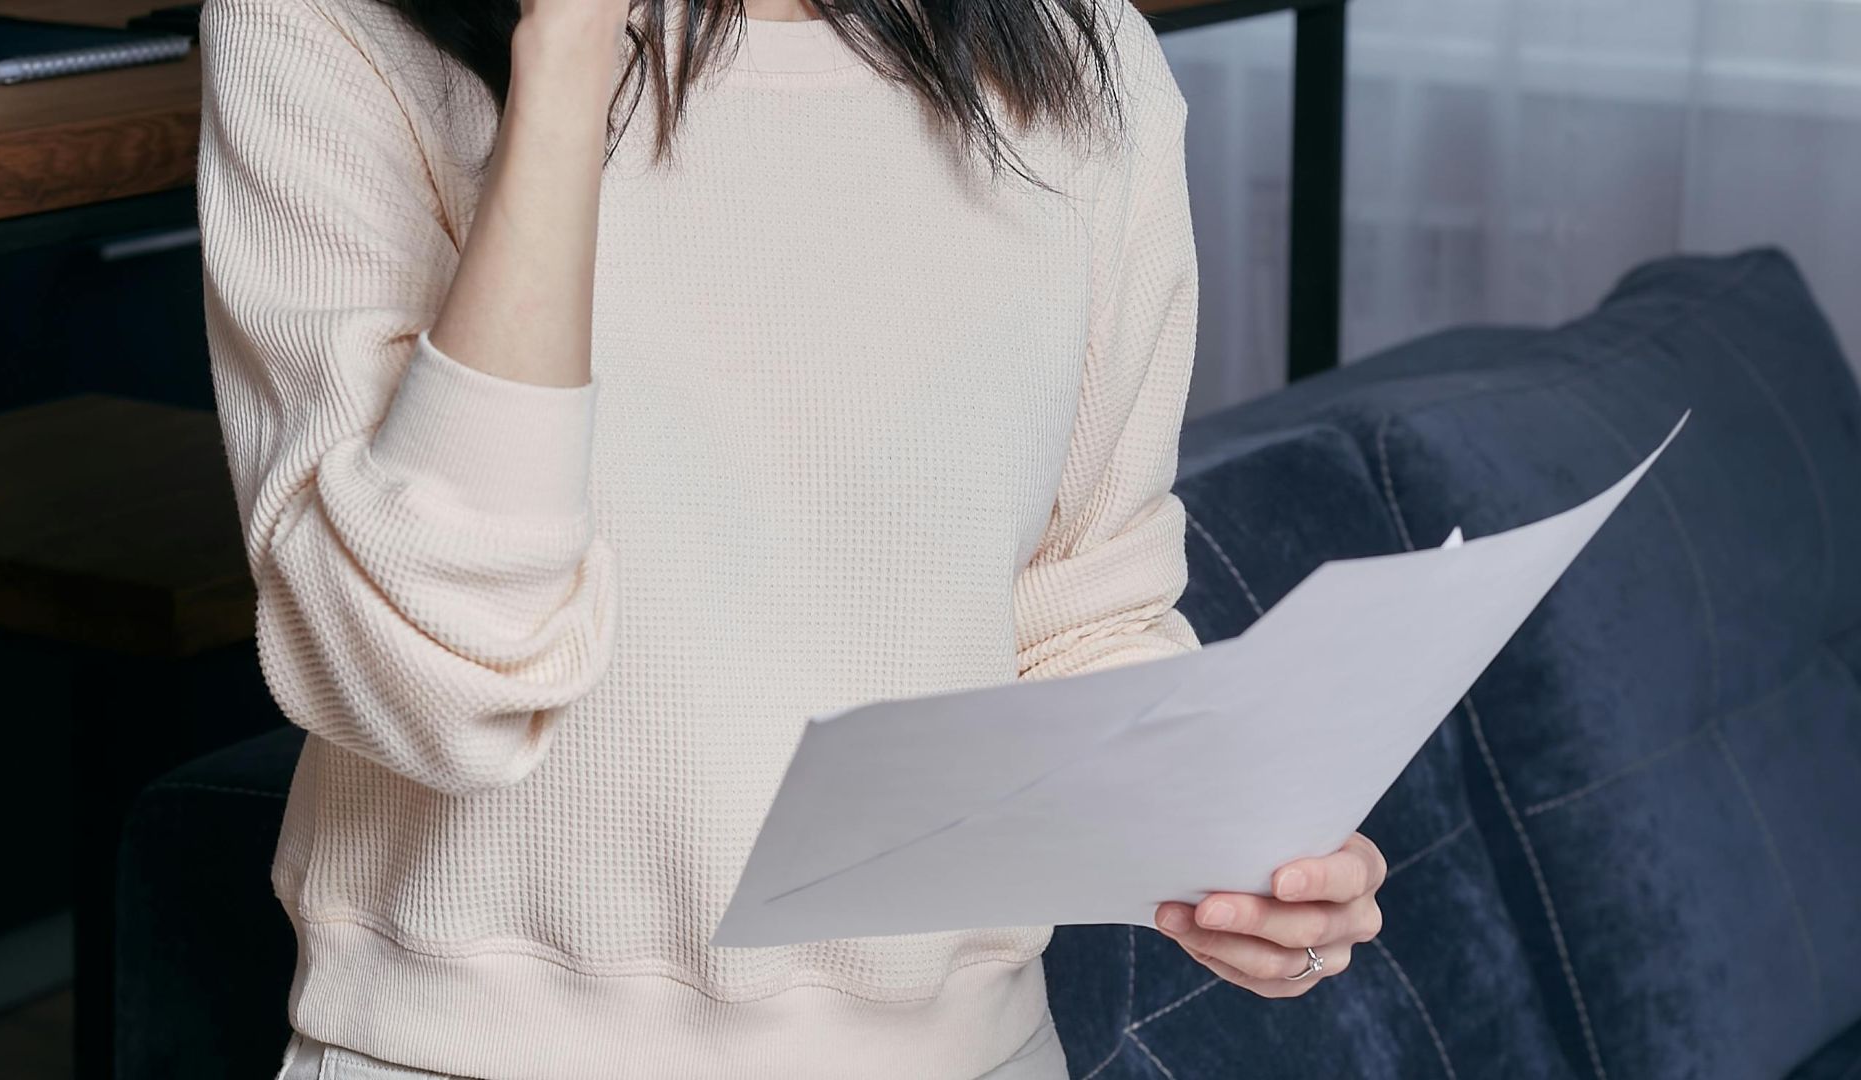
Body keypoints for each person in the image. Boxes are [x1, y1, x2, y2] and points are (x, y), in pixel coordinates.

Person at [195, 0, 1386, 1074]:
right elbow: (430, 680)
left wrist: (1235, 845)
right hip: (464, 1057)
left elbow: (1080, 612)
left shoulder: (1080, 51)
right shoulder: (322, 28)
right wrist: (564, 57)